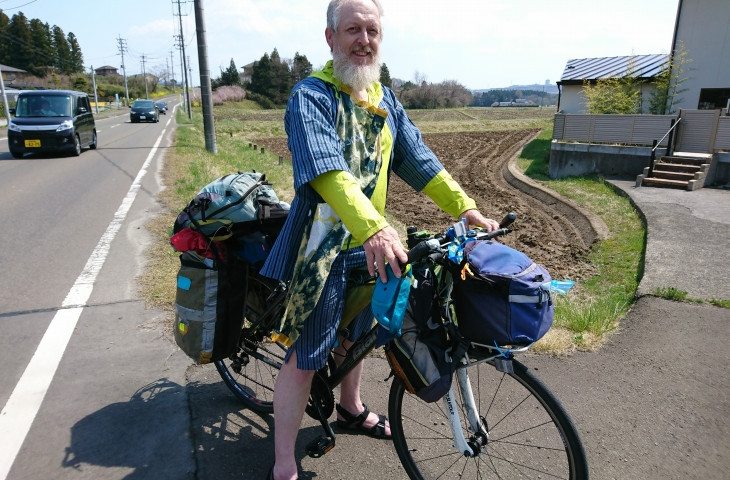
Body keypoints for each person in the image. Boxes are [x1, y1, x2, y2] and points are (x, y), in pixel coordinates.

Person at [260, 1, 500, 479]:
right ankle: (283, 461)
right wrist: (373, 227)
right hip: (323, 249)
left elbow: (418, 158)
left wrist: (465, 207)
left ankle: (350, 407)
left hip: (373, 244)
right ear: (330, 38)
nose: (364, 40)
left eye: (372, 31)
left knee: (362, 336)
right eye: (353, 30)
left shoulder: (385, 99)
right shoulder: (311, 97)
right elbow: (329, 172)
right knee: (307, 355)